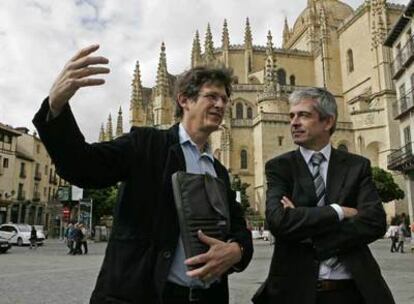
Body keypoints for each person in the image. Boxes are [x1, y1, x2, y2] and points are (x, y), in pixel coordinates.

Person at [33, 44, 253, 304]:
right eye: (212, 97)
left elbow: (239, 228)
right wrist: (56, 107)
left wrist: (237, 251)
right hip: (145, 294)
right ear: (184, 99)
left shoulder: (217, 171)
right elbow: (84, 167)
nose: (221, 104)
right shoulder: (146, 144)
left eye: (225, 99)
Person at [252, 87, 394, 304]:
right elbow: (278, 221)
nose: (294, 122)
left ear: (328, 122)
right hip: (294, 291)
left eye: (304, 115)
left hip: (352, 291)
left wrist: (305, 226)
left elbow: (374, 222)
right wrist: (339, 211)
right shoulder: (279, 168)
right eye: (292, 116)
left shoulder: (357, 166)